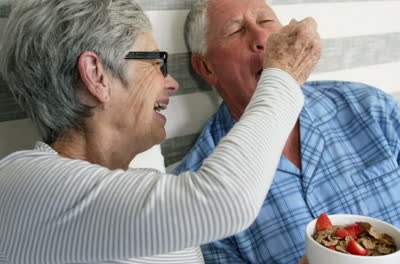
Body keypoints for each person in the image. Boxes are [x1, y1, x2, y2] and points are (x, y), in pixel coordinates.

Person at [0, 0, 321, 263]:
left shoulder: (136, 195)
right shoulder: (19, 184)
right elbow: (225, 201)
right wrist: (284, 75)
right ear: (96, 75)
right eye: (156, 62)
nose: (171, 82)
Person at [175, 0, 400, 263]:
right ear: (205, 68)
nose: (262, 38)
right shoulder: (198, 187)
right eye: (235, 31)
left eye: (266, 22)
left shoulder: (370, 108)